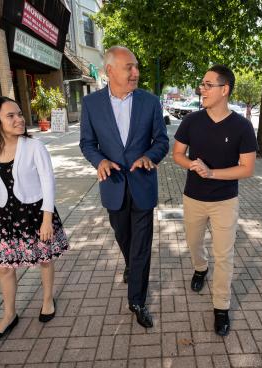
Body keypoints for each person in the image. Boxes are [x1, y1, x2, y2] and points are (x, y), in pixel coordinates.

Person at [79, 46, 169, 328]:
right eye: (129, 67)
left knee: (141, 245)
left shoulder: (150, 102)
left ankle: (137, 300)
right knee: (122, 235)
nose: (136, 72)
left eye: (137, 67)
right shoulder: (92, 104)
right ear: (110, 71)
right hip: (113, 186)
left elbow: (162, 141)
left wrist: (149, 156)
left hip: (142, 185)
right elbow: (87, 143)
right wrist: (100, 161)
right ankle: (131, 265)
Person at [172, 65, 257, 336]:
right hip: (193, 198)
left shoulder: (242, 127)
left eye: (208, 85)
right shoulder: (191, 121)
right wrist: (191, 165)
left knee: (225, 256)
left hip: (225, 201)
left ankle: (221, 307)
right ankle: (200, 268)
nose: (202, 89)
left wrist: (212, 173)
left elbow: (247, 168)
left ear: (225, 90)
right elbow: (177, 154)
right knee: (194, 243)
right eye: (202, 84)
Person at [0, 96, 69, 340]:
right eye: (11, 116)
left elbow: (48, 183)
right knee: (4, 268)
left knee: (43, 259)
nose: (19, 119)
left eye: (19, 114)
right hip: (6, 215)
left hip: (34, 213)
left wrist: (46, 219)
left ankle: (47, 299)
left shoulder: (34, 146)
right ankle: (9, 315)